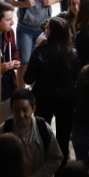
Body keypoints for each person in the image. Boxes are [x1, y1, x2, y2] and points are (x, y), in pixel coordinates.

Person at [24, 16, 79, 166]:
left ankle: (42, 165)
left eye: (47, 27)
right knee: (63, 136)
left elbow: (28, 78)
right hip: (66, 98)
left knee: (42, 133)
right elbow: (76, 77)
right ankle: (61, 168)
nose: (45, 29)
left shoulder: (40, 51)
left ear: (51, 32)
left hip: (43, 96)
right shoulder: (73, 53)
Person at [0, 88, 63, 177]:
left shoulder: (43, 129)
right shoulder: (4, 130)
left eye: (25, 110)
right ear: (11, 109)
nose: (21, 115)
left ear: (33, 109)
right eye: (17, 110)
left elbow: (56, 158)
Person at [4, 0, 65, 80]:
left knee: (40, 63)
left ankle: (35, 90)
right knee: (24, 62)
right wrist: (22, 4)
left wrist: (51, 1)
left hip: (44, 29)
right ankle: (20, 90)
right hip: (25, 28)